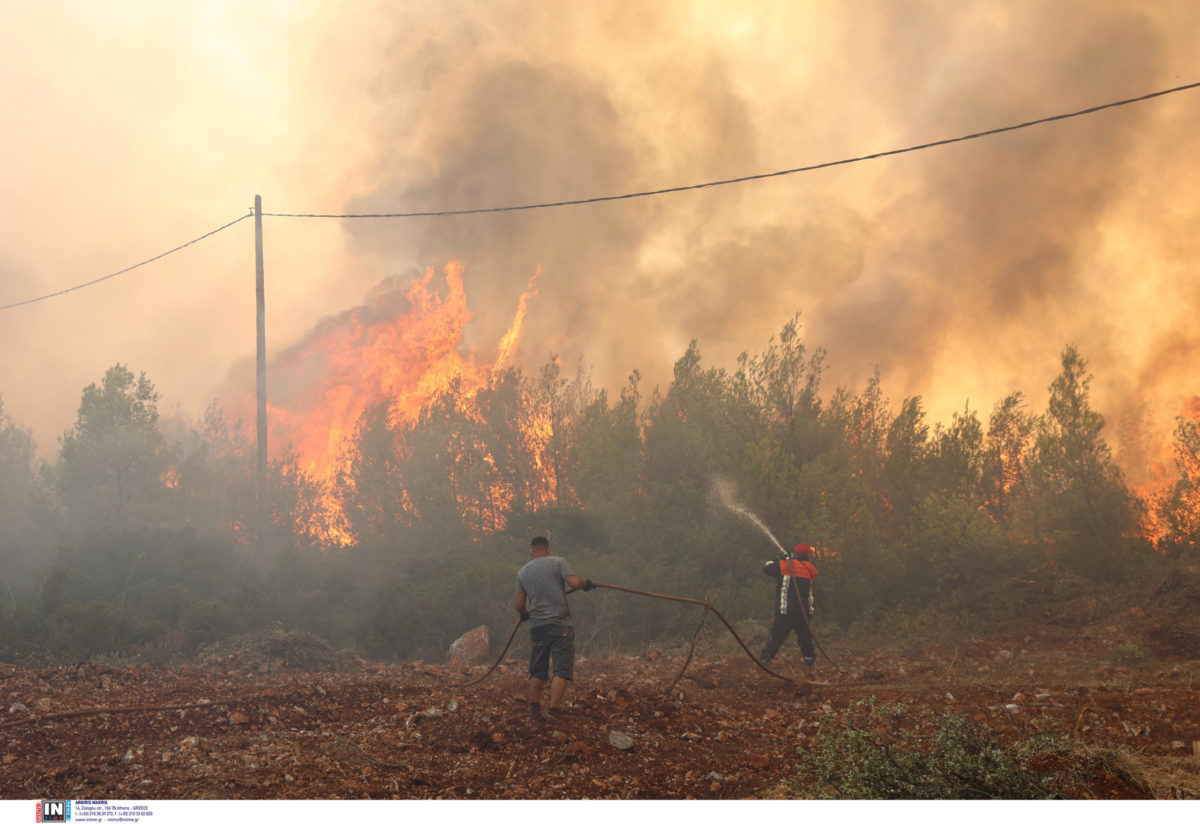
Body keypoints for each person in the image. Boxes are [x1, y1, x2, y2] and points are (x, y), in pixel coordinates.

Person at [515, 536, 594, 720]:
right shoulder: (558, 562)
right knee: (561, 670)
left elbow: (519, 605)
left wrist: (525, 612)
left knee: (538, 670)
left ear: (531, 551)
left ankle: (534, 709)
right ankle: (554, 711)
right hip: (560, 625)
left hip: (538, 627)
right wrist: (585, 584)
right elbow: (574, 583)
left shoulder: (522, 572)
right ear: (548, 549)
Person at [760, 542, 818, 670]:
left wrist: (780, 558)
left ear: (796, 553)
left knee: (777, 636)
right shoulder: (810, 568)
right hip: (805, 612)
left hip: (786, 610)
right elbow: (811, 574)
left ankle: (765, 660)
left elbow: (767, 568)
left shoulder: (786, 565)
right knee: (806, 638)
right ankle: (809, 662)